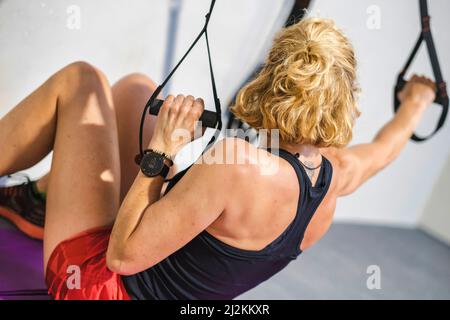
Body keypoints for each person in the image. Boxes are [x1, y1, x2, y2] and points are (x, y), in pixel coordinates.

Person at [0, 17, 436, 300]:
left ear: (271, 80)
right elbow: (381, 152)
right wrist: (415, 104)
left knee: (82, 80)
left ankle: (42, 196)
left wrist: (162, 153)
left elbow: (122, 258)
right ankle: (40, 198)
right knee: (136, 88)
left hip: (101, 285)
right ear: (343, 95)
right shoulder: (333, 176)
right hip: (154, 269)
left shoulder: (235, 163)